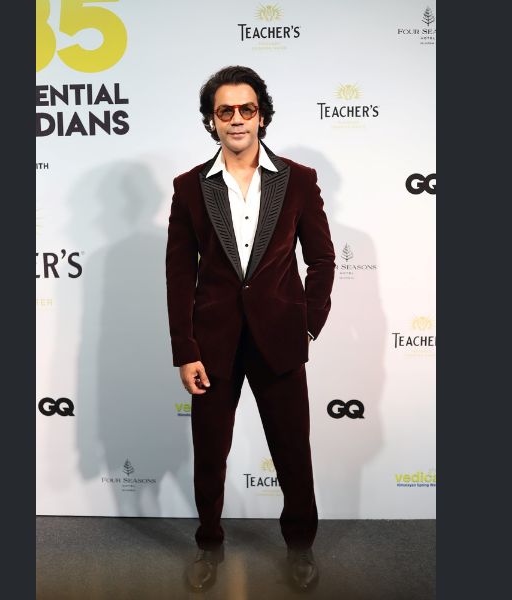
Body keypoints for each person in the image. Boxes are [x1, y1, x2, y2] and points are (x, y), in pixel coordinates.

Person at [165, 65, 335, 592]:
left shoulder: (298, 180)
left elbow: (322, 259)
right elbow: (178, 273)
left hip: (280, 340)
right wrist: (184, 348)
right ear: (211, 121)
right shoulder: (190, 187)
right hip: (211, 345)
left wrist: (308, 326)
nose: (237, 119)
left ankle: (300, 546)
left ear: (262, 116)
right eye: (226, 111)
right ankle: (209, 544)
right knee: (209, 453)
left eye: (247, 109)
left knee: (292, 451)